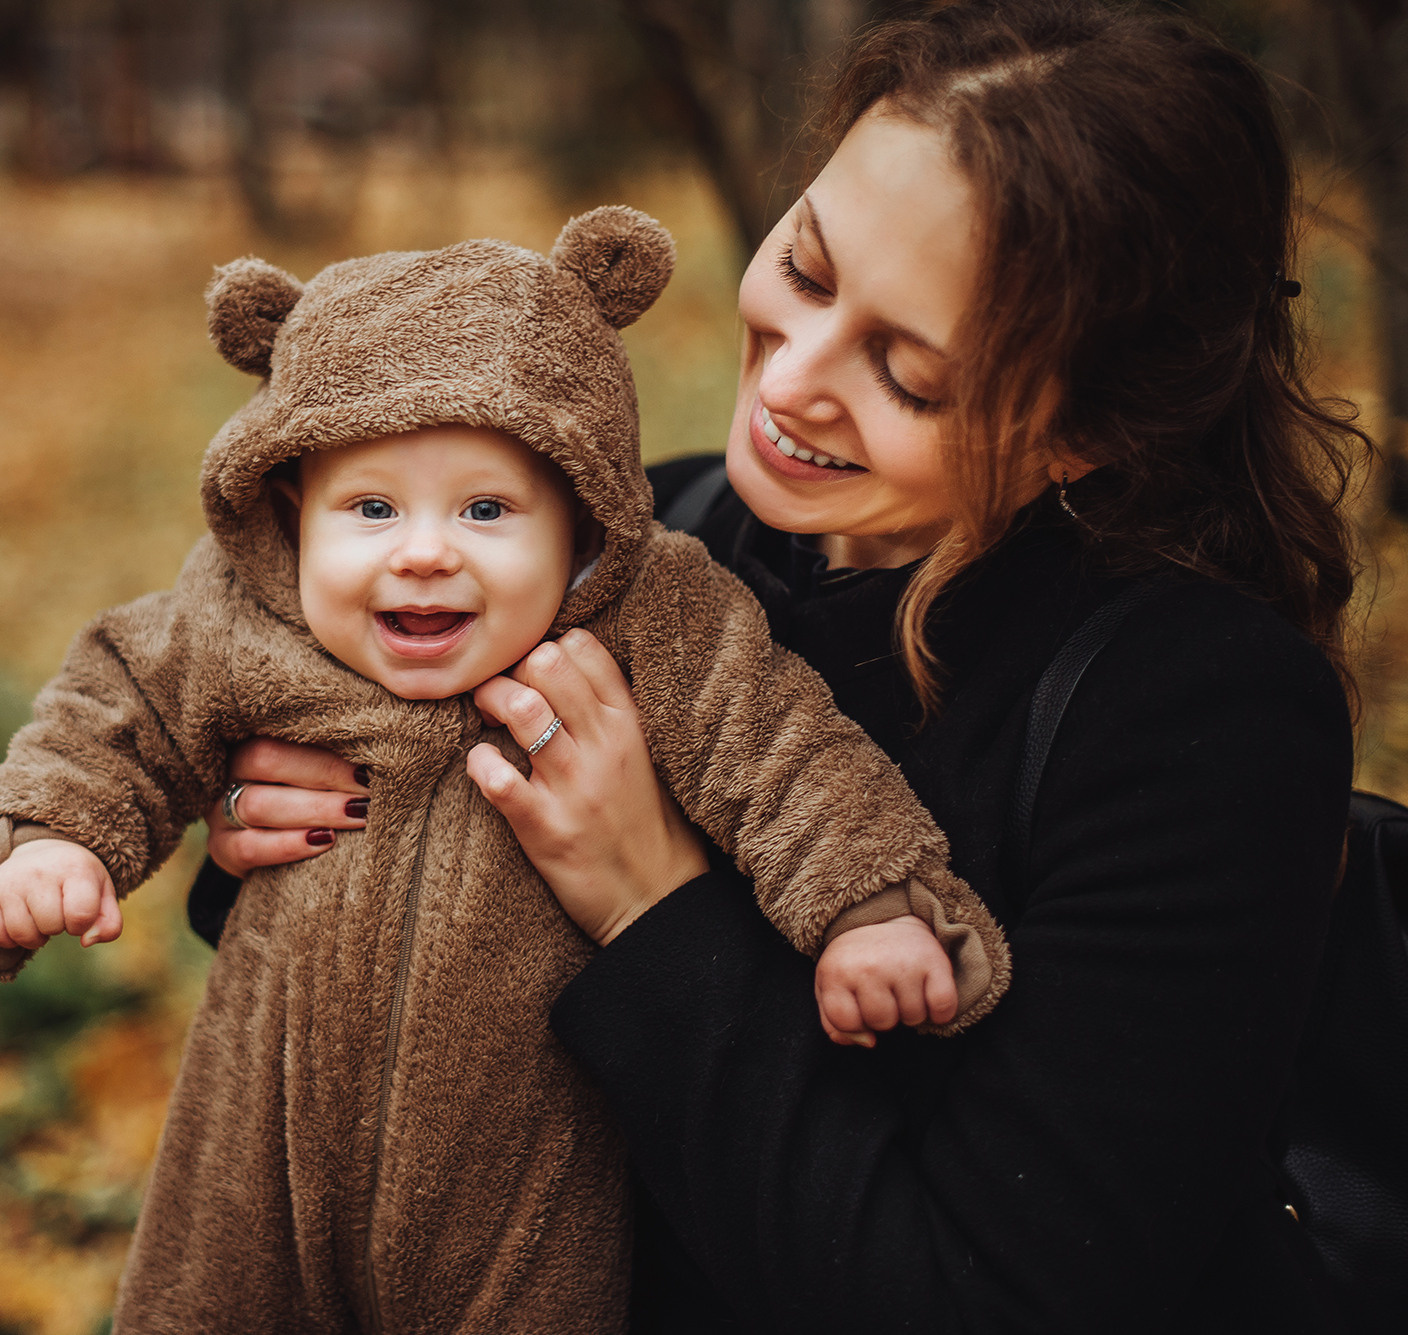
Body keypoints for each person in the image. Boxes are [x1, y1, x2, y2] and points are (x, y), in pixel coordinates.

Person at [187, 1, 1365, 1328]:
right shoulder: (652, 531)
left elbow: (987, 1292)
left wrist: (649, 903)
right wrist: (279, 836)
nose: (793, 378)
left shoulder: (1200, 718)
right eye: (805, 268)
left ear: (1085, 429)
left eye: (908, 374)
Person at [0, 207, 1014, 1332]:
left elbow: (779, 750)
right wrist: (49, 835)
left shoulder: (657, 623)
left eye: (486, 509)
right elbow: (118, 706)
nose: (424, 550)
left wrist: (868, 908)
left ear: (579, 525)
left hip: (516, 1177)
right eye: (371, 508)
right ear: (291, 514)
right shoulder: (239, 618)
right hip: (260, 1145)